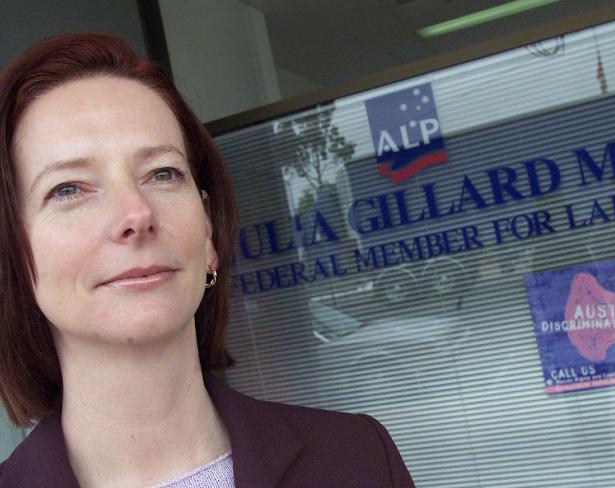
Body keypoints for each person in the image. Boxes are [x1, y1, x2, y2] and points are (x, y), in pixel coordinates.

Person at [0, 33, 414, 487]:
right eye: (68, 188)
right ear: (15, 256)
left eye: (162, 173)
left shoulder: (359, 458)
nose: (136, 214)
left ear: (209, 234)